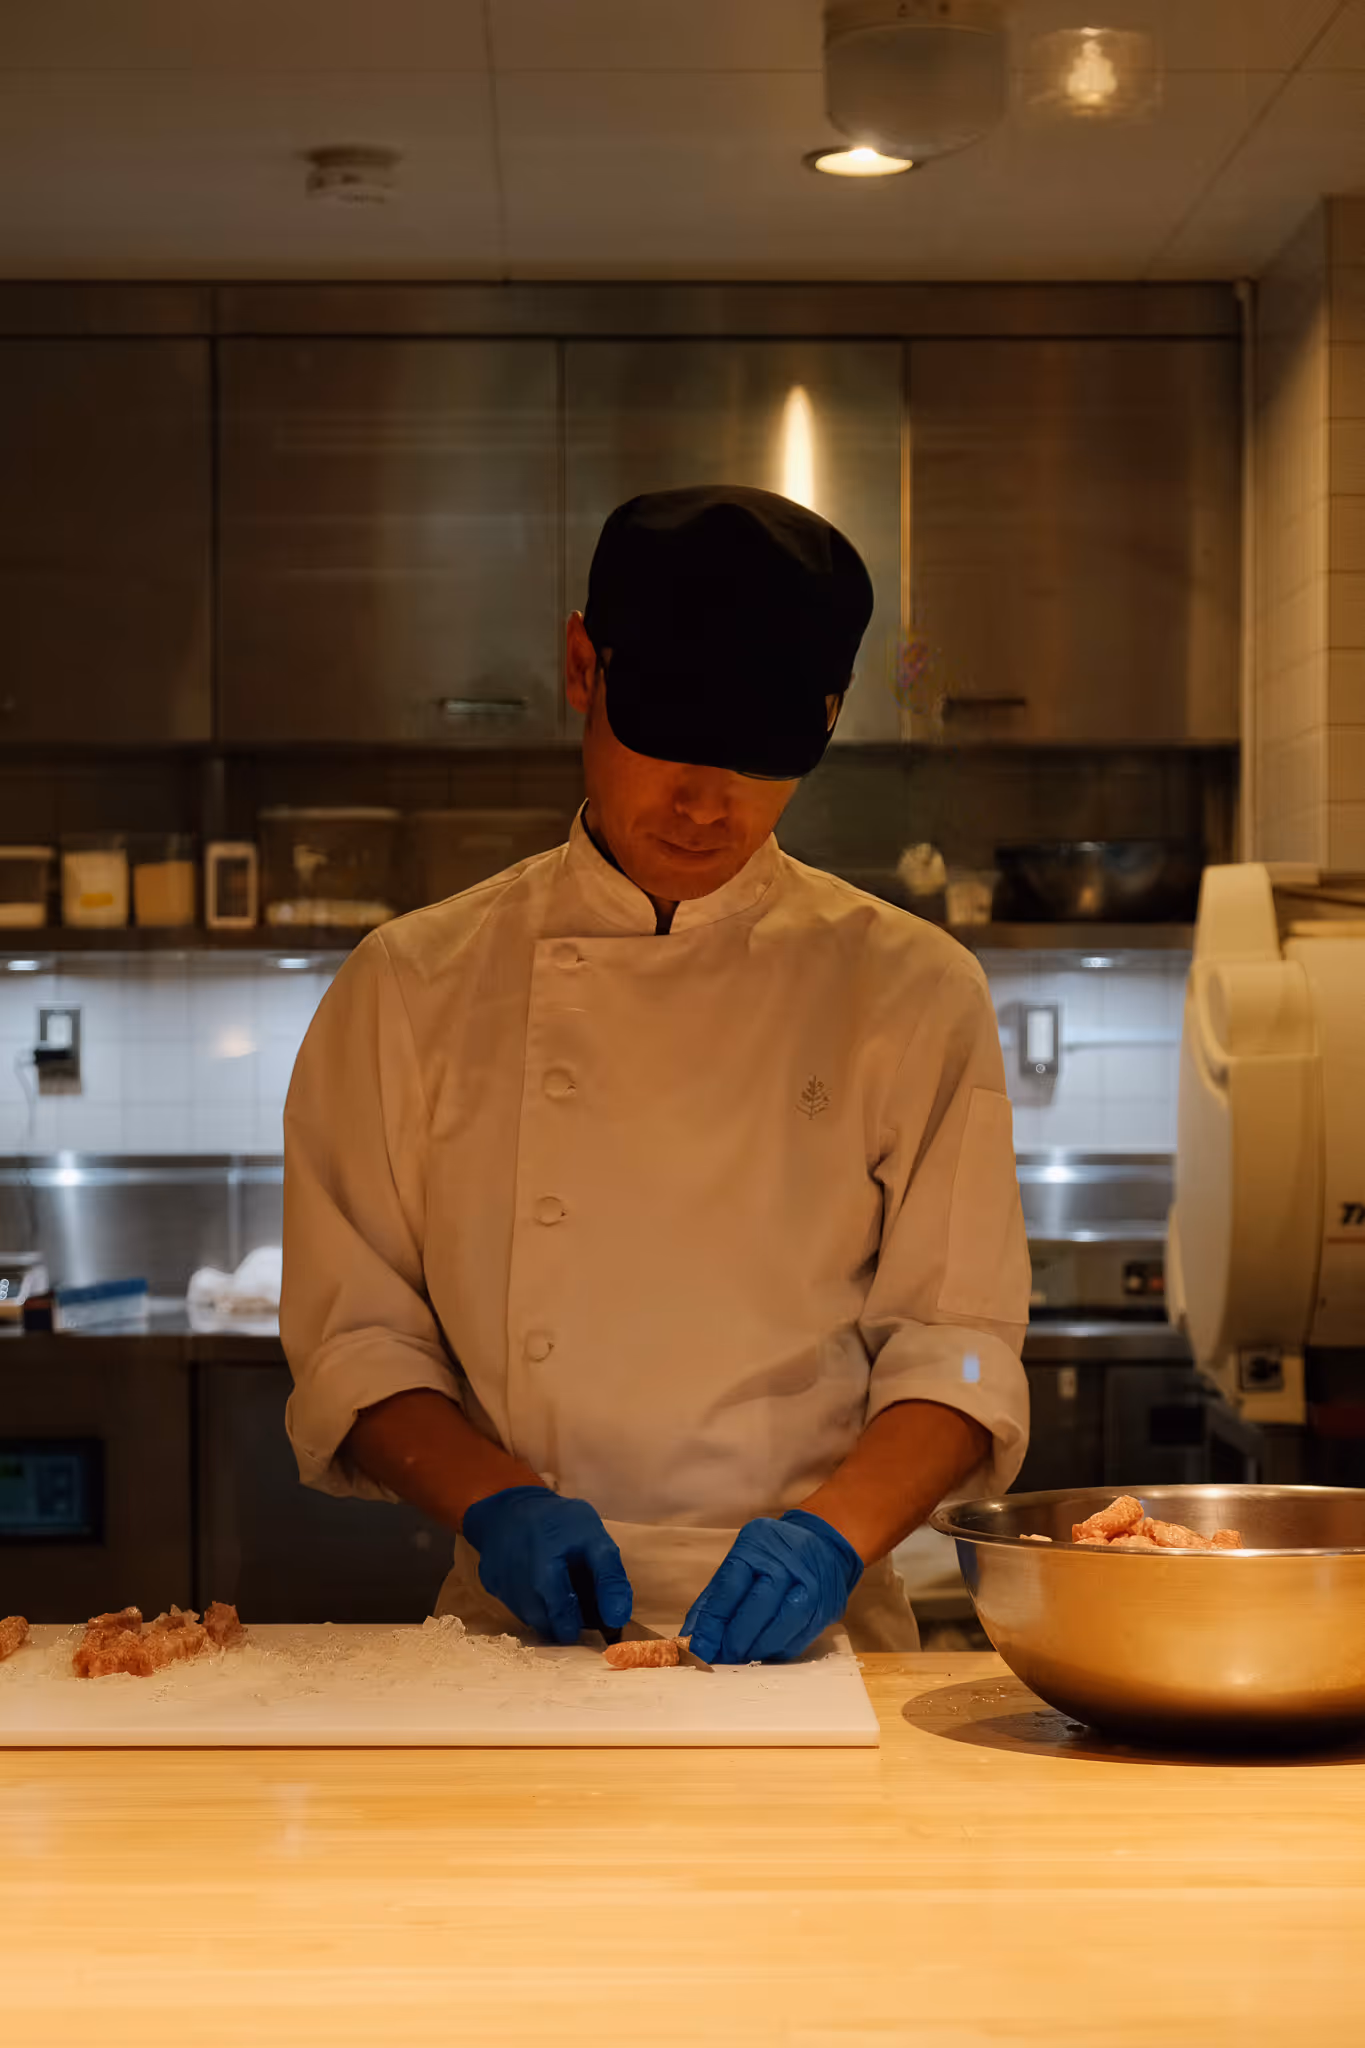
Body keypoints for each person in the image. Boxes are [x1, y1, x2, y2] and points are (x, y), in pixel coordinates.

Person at [281, 484, 1030, 1664]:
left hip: (825, 1650)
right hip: (512, 1645)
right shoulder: (411, 986)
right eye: (670, 734)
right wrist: (494, 1502)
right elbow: (355, 1340)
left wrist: (834, 1539)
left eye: (757, 758)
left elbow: (965, 1346)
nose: (703, 799)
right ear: (584, 665)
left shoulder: (914, 990)